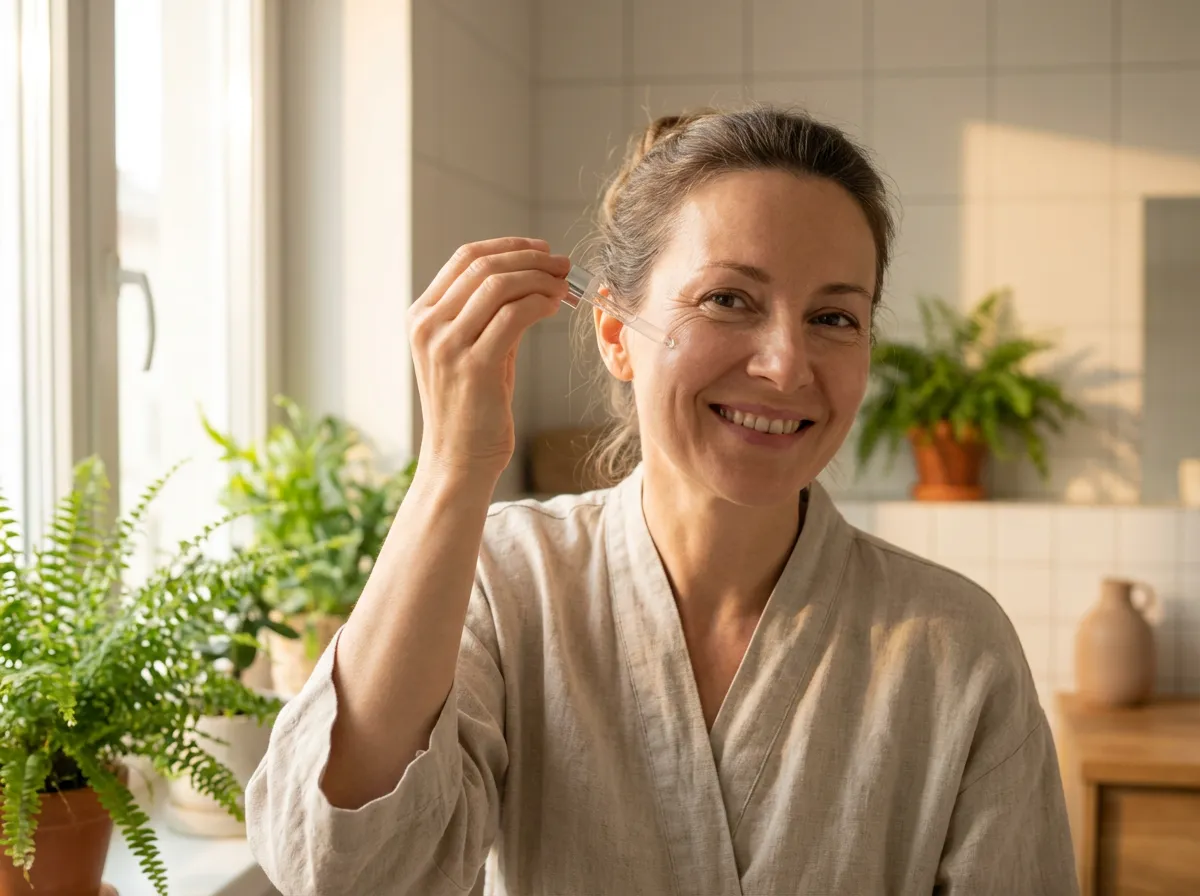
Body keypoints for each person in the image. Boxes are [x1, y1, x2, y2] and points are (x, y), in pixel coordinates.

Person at [245, 105, 1079, 895]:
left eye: (834, 317)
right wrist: (453, 467)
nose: (787, 364)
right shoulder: (503, 583)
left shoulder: (957, 648)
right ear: (615, 334)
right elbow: (340, 868)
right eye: (729, 300)